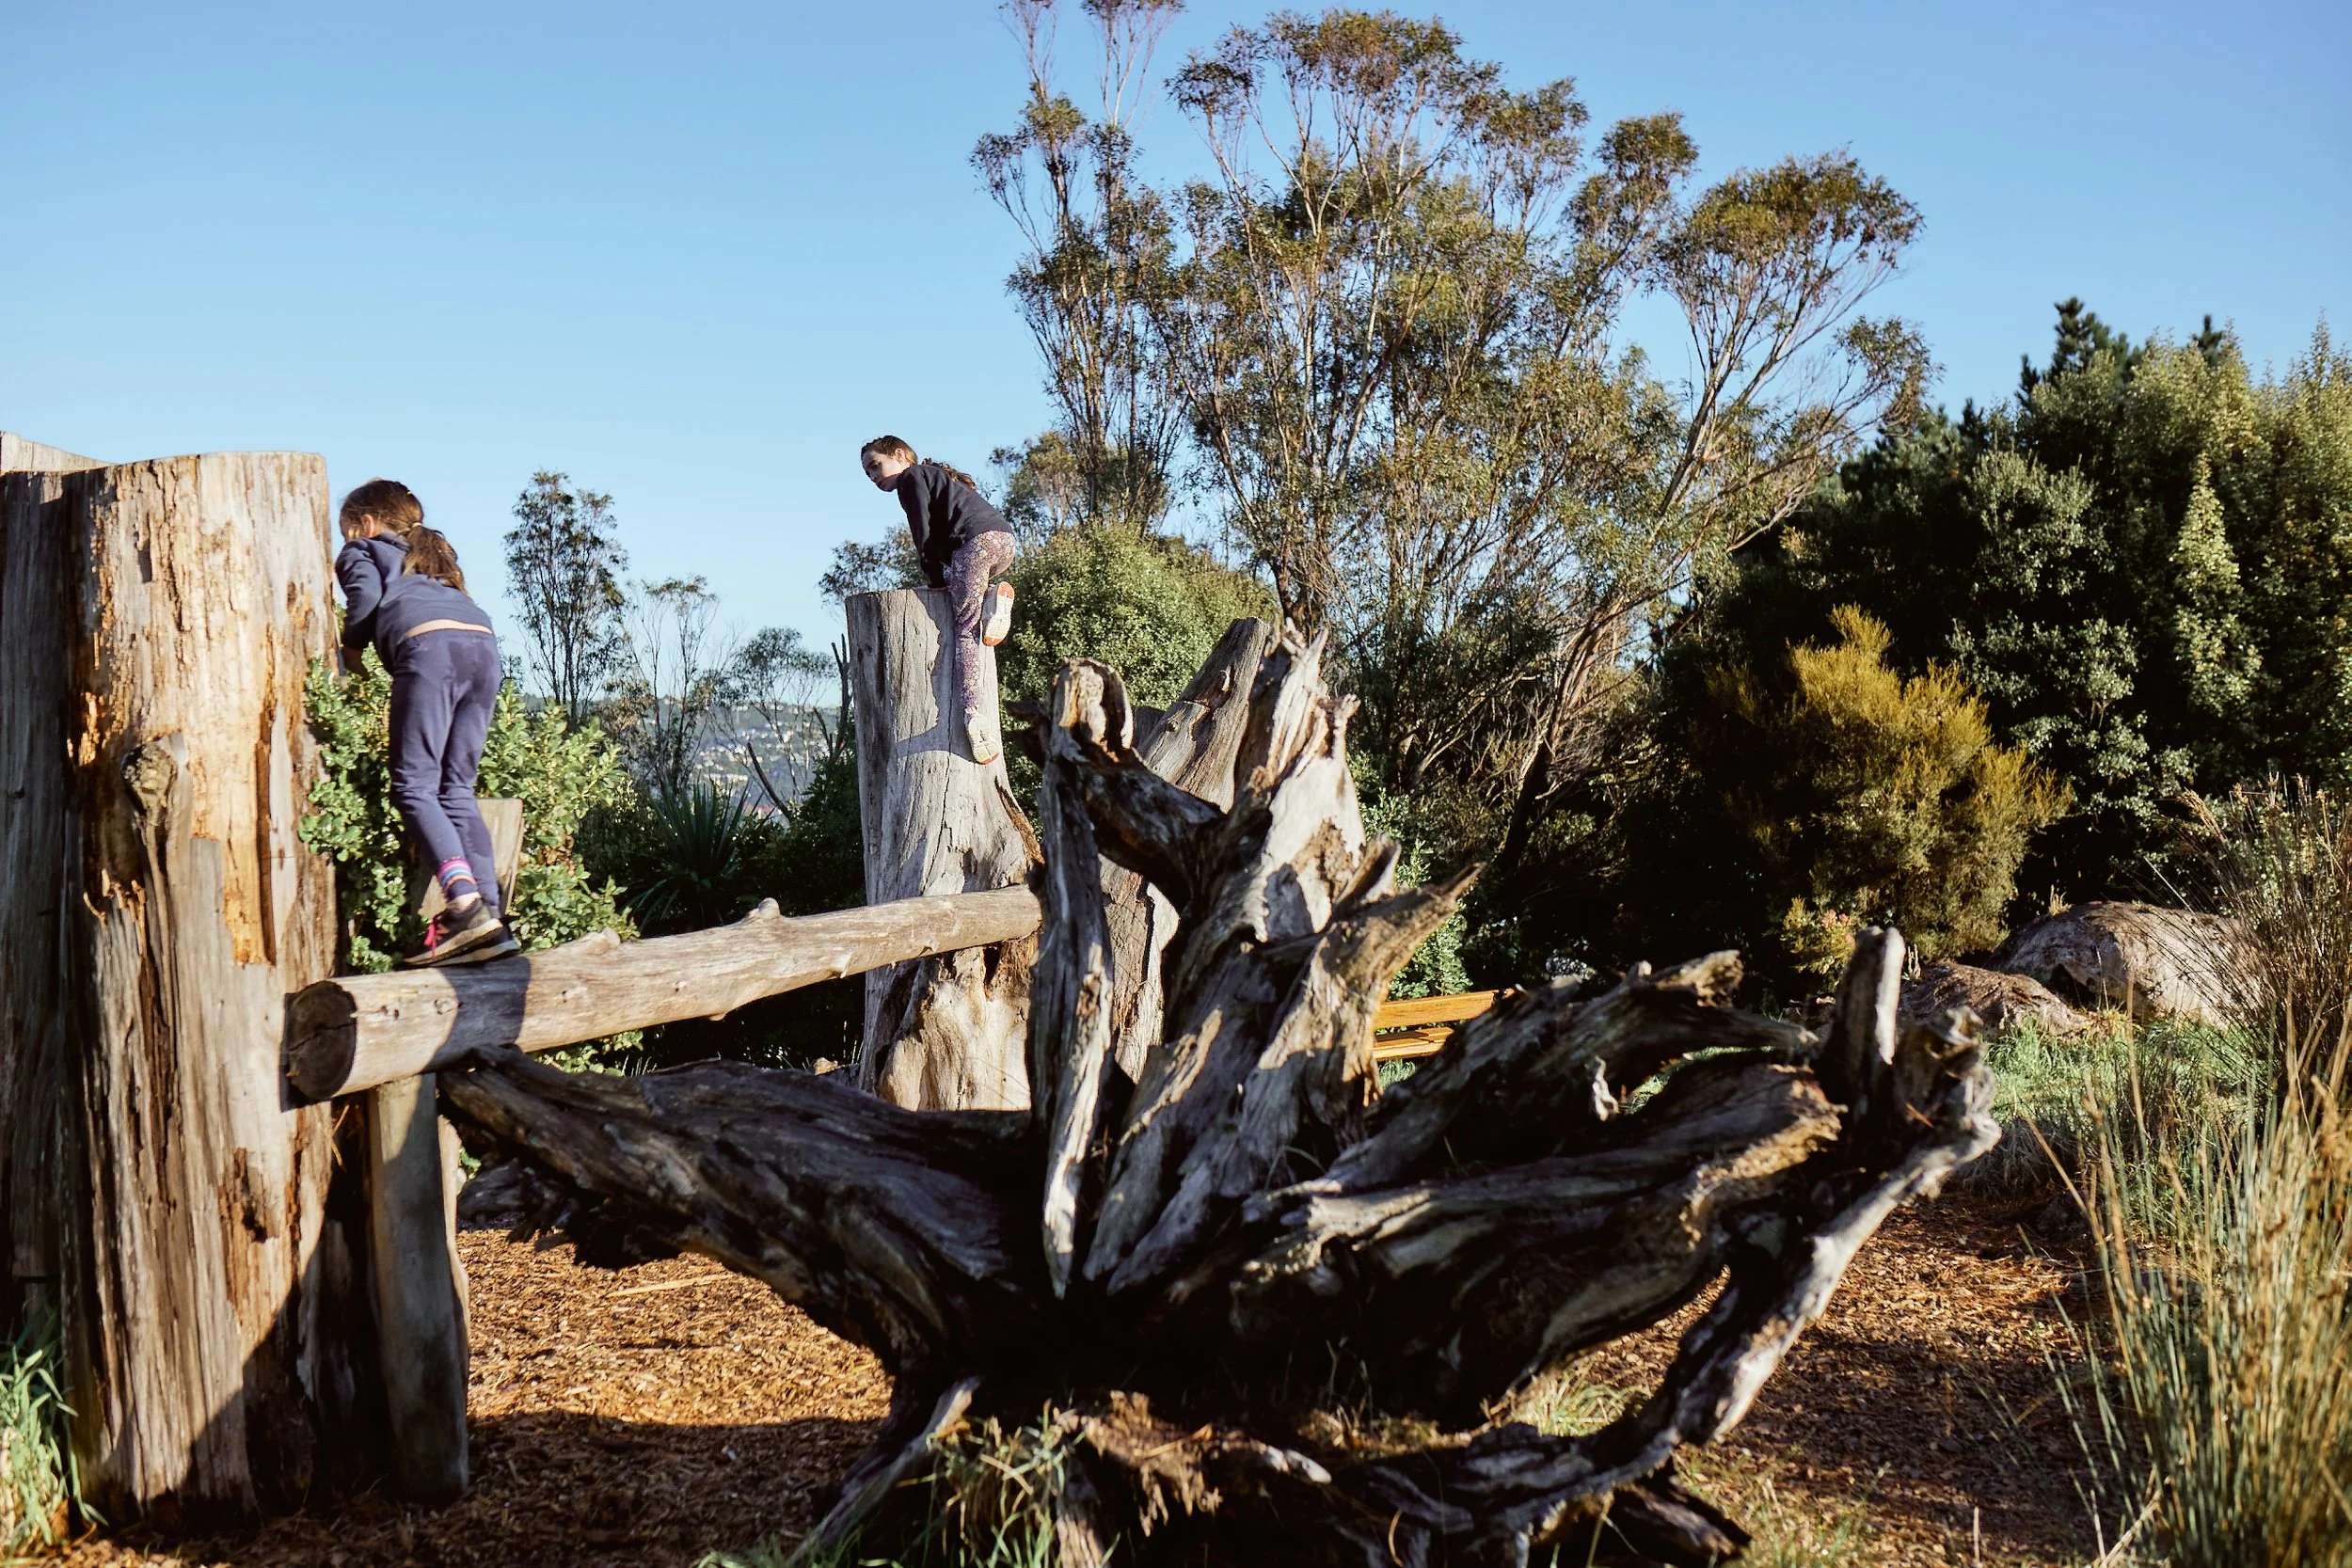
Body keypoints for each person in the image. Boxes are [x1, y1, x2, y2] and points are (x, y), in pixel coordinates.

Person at [335, 479, 519, 966]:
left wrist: (349, 655)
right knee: (457, 789)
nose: (346, 540)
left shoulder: (364, 549)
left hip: (428, 647)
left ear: (366, 523)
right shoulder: (434, 557)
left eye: (346, 530)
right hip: (482, 645)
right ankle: (492, 920)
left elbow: (365, 603)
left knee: (413, 787)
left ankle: (464, 903)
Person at [859, 436, 1017, 763]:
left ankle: (973, 714)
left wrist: (930, 579)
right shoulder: (939, 479)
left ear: (900, 456)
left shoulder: (912, 478)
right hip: (1003, 542)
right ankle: (993, 600)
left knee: (965, 630)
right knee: (964, 591)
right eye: (867, 474)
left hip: (974, 546)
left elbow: (923, 536)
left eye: (876, 466)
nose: (873, 476)